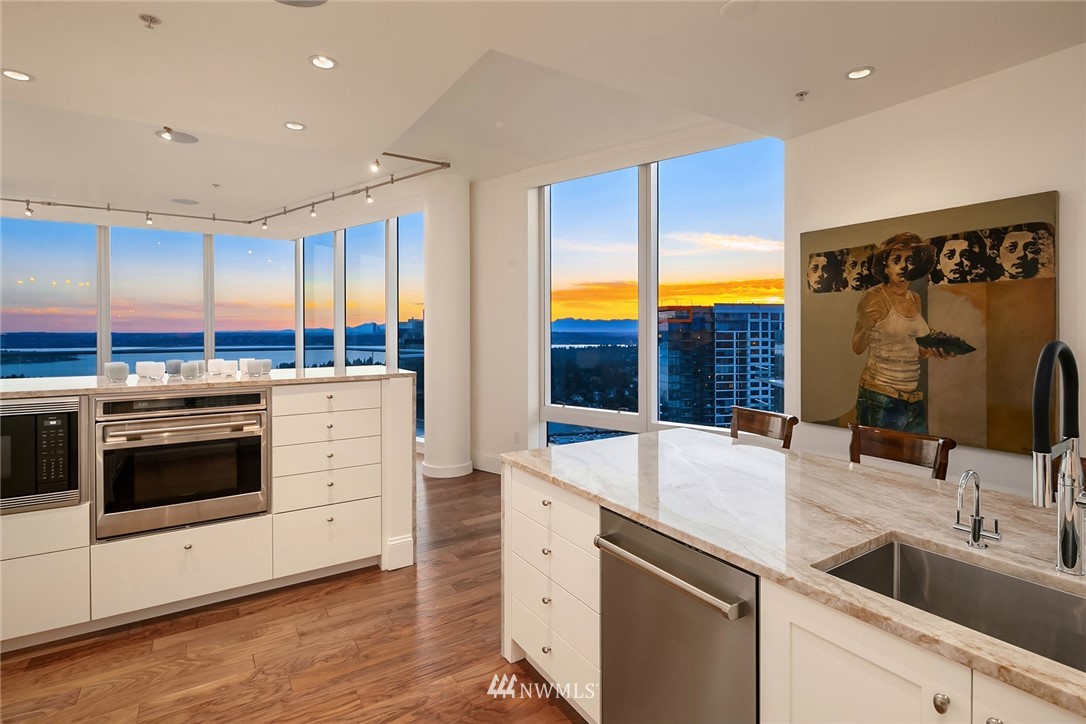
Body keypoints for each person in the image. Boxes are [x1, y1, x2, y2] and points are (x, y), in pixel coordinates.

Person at [852, 232, 954, 433]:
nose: (903, 266)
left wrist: (936, 347)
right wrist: (866, 326)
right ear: (886, 266)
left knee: (917, 462)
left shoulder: (914, 298)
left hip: (912, 399)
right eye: (896, 260)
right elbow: (857, 347)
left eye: (909, 260)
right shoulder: (874, 297)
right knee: (876, 463)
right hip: (880, 398)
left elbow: (914, 349)